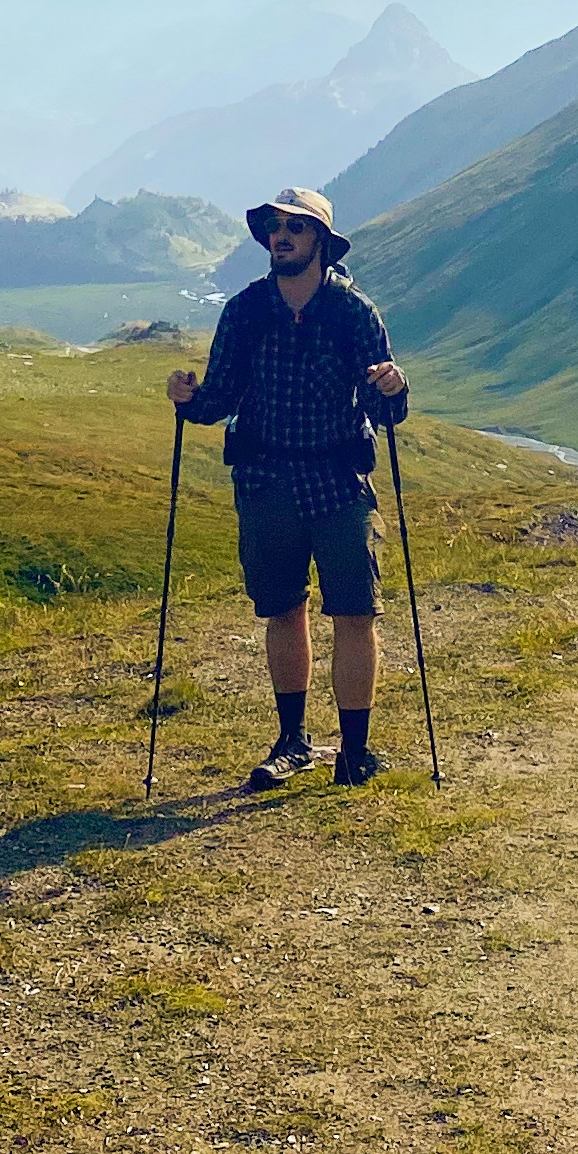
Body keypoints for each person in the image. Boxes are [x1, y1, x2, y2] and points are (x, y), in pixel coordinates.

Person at [168, 183, 411, 787]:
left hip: (338, 478)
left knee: (356, 612)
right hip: (266, 479)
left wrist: (392, 389)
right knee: (283, 610)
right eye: (276, 226)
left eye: (296, 228)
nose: (282, 235)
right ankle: (292, 742)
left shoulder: (357, 314)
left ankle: (355, 752)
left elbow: (383, 412)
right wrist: (189, 400)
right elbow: (220, 397)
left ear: (321, 242)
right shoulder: (245, 311)